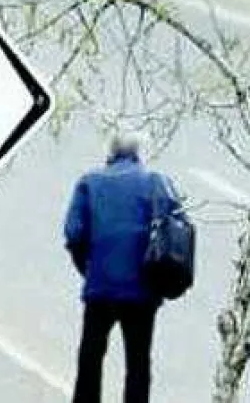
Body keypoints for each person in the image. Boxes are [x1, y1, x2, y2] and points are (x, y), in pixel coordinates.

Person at [63, 132, 180, 403]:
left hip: (100, 287)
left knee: (90, 358)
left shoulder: (89, 183)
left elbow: (74, 233)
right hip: (142, 291)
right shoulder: (155, 183)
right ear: (139, 153)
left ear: (110, 152)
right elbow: (176, 230)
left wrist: (88, 268)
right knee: (138, 363)